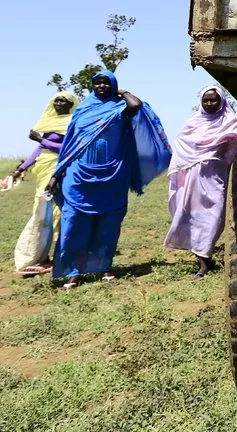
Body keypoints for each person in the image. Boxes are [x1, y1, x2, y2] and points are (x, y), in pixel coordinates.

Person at [46, 70, 171, 289]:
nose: (102, 86)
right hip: (79, 176)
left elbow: (136, 106)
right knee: (73, 223)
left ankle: (104, 267)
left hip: (113, 175)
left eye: (106, 83)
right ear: (92, 86)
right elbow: (71, 147)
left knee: (109, 225)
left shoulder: (120, 107)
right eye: (98, 83)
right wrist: (56, 173)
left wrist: (122, 92)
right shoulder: (83, 110)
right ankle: (73, 272)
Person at [164, 86, 237, 278]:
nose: (209, 103)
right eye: (206, 100)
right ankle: (204, 263)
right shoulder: (192, 123)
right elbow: (181, 148)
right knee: (190, 217)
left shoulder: (229, 122)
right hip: (191, 179)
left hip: (214, 180)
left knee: (213, 219)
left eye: (213, 100)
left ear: (221, 101)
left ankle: (205, 258)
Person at [2, 92, 79, 275]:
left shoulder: (73, 122)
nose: (59, 103)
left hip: (61, 168)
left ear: (71, 104)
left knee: (57, 211)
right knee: (41, 210)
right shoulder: (48, 122)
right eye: (56, 100)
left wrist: (40, 139)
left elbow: (68, 148)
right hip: (43, 169)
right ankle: (42, 257)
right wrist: (22, 168)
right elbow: (40, 149)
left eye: (63, 101)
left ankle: (62, 252)